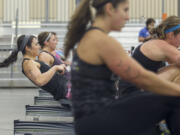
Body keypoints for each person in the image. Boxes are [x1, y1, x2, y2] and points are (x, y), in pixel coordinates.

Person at [64, 0, 180, 135]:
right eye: (125, 10)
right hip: (97, 120)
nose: (128, 17)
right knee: (175, 100)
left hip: (90, 119)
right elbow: (143, 78)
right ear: (109, 9)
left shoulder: (93, 37)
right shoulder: (101, 41)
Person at [0, 35, 68, 101]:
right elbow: (39, 81)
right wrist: (55, 68)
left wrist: (58, 70)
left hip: (67, 87)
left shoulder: (32, 62)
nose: (39, 47)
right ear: (27, 48)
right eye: (36, 44)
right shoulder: (28, 63)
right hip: (66, 91)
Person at [38, 31, 71, 99]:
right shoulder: (44, 55)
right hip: (66, 88)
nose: (56, 42)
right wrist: (60, 71)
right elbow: (47, 78)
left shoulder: (48, 54)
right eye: (54, 40)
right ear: (46, 42)